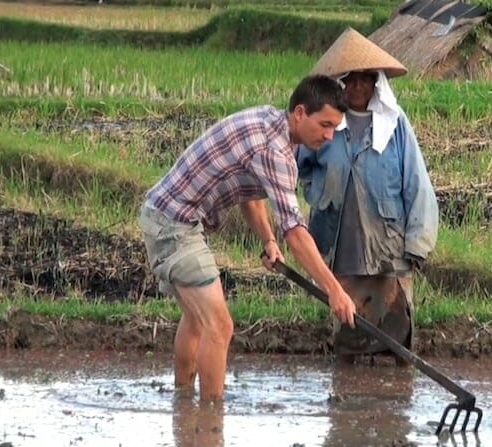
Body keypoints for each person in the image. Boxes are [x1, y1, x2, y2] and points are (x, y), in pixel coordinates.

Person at [139, 75, 357, 402]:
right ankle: (211, 417)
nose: (329, 136)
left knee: (197, 321)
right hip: (174, 225)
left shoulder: (270, 121)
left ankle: (183, 405)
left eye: (334, 128)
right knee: (219, 325)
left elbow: (250, 193)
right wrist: (334, 290)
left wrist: (268, 240)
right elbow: (296, 233)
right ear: (300, 113)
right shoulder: (275, 151)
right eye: (324, 125)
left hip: (165, 214)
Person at [297, 28, 438, 365]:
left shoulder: (395, 124)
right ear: (339, 83)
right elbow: (298, 166)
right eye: (351, 79)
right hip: (339, 243)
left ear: (377, 83)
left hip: (388, 246)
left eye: (365, 79)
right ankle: (349, 391)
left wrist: (418, 244)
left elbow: (416, 183)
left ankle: (393, 392)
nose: (358, 86)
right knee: (348, 333)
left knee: (397, 336)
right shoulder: (326, 125)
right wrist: (319, 192)